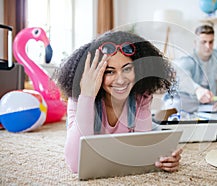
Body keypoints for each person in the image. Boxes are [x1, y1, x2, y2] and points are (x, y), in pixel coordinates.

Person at [56, 30, 183, 173]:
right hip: (87, 100)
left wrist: (164, 160)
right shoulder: (79, 97)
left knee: (158, 136)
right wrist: (87, 96)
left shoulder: (141, 97)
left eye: (127, 69)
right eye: (110, 71)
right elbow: (75, 165)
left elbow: (142, 154)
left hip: (140, 126)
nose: (121, 80)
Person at [164, 24, 217, 112]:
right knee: (174, 104)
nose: (208, 46)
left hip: (208, 100)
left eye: (211, 42)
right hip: (188, 98)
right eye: (203, 42)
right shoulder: (187, 58)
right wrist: (197, 89)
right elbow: (182, 76)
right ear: (195, 42)